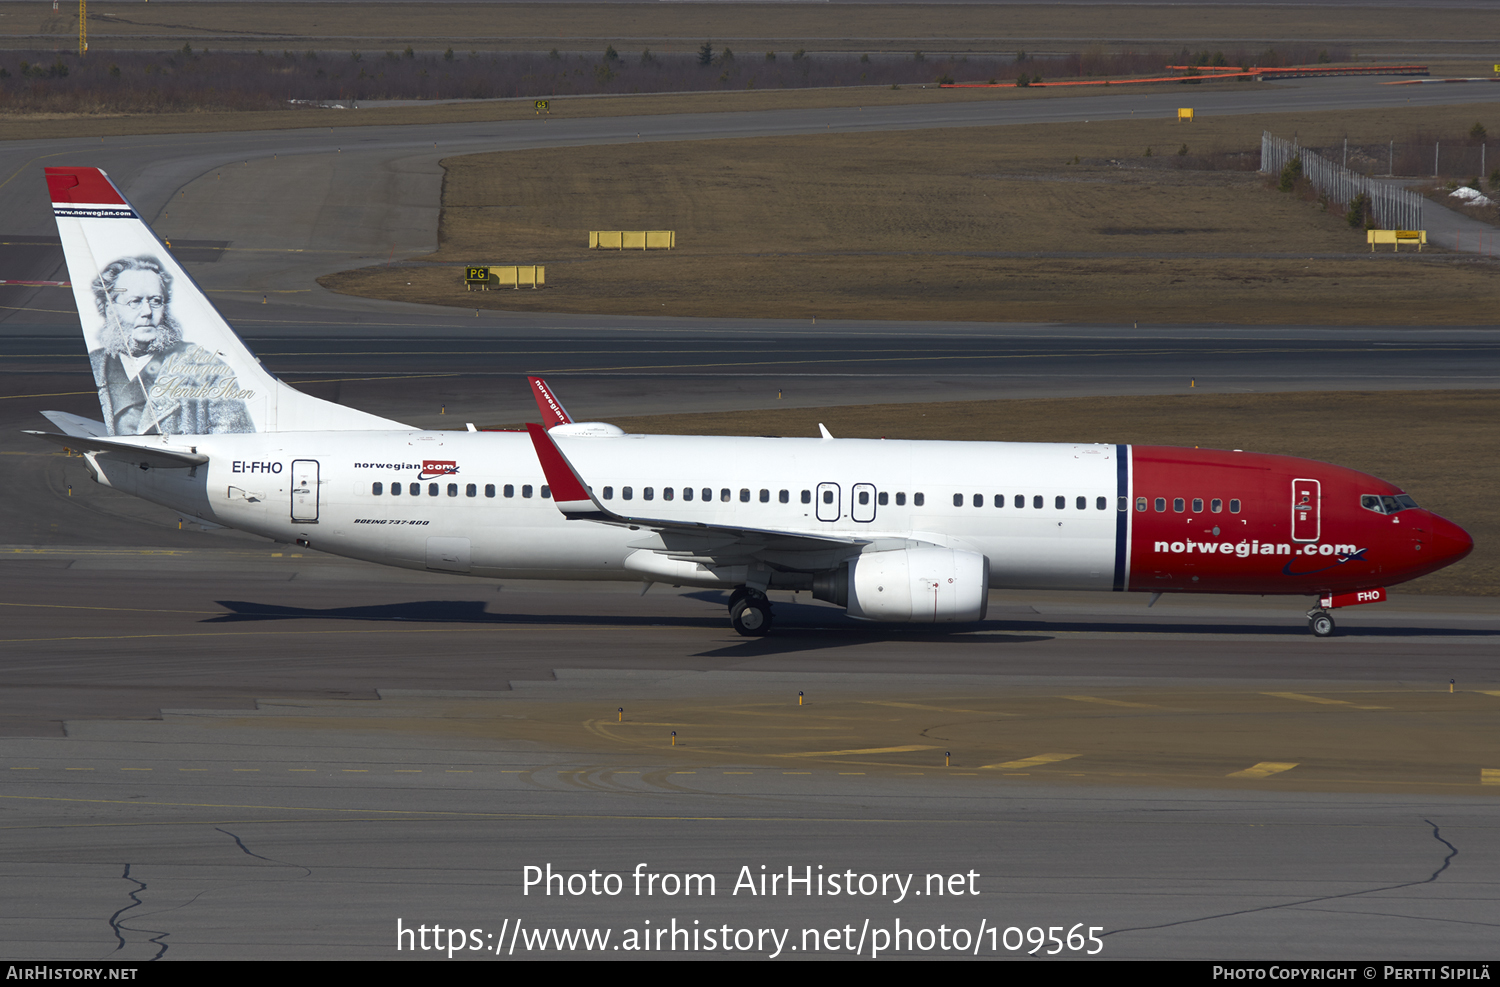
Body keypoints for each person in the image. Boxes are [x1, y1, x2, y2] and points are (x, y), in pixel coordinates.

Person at [88, 256, 254, 435]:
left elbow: (235, 440)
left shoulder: (209, 371)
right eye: (134, 302)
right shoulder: (94, 365)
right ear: (108, 308)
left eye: (156, 301)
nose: (147, 312)